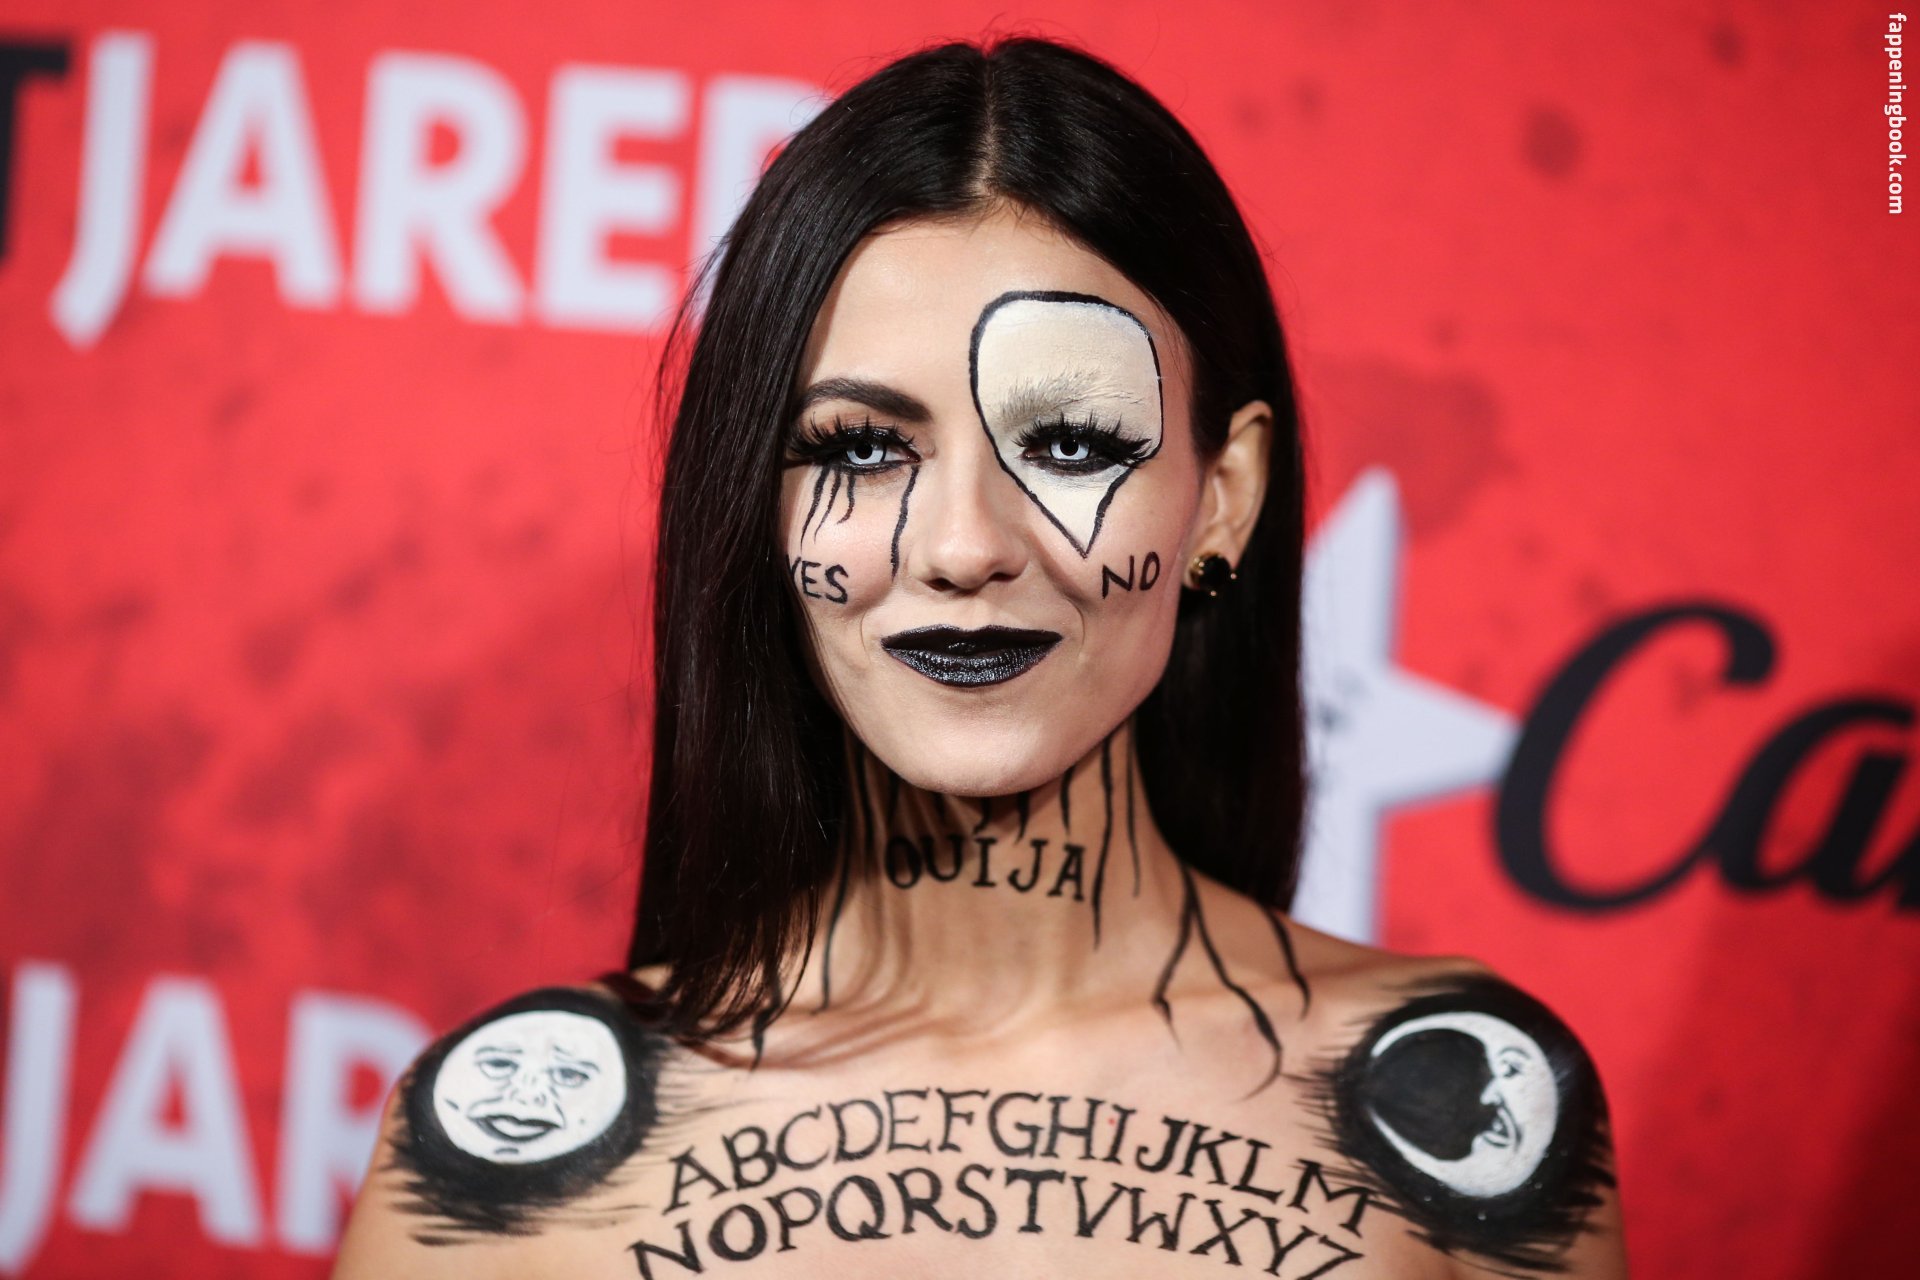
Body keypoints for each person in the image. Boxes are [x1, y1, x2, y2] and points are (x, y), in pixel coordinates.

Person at [333, 36, 1627, 1279]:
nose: (962, 546)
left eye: (1070, 444)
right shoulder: (511, 1151)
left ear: (1222, 498)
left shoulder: (1464, 1113)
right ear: (756, 503)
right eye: (859, 447)